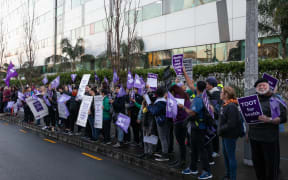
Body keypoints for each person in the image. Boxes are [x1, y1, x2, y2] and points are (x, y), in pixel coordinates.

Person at [249, 78, 287, 180]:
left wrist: (269, 120)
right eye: (259, 86)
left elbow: (282, 118)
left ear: (268, 86)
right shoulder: (253, 100)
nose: (261, 87)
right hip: (254, 138)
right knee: (258, 164)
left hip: (268, 139)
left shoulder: (273, 100)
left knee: (270, 166)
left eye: (263, 85)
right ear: (256, 89)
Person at [179, 81, 213, 180]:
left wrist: (183, 108)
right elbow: (190, 84)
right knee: (193, 149)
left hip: (199, 128)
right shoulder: (203, 95)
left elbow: (192, 113)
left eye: (194, 86)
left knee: (202, 150)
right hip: (197, 127)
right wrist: (184, 71)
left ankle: (207, 171)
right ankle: (192, 168)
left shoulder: (198, 99)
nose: (192, 86)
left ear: (197, 88)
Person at [218, 86, 242, 180]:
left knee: (231, 157)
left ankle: (232, 177)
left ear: (226, 94)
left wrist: (220, 129)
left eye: (222, 92)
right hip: (225, 134)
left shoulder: (231, 106)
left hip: (230, 135)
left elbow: (231, 124)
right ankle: (228, 175)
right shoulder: (226, 104)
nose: (220, 93)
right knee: (226, 156)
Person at [169, 84, 191, 169]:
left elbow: (176, 110)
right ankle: (181, 160)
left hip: (179, 121)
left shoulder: (177, 97)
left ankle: (182, 161)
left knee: (180, 143)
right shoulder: (184, 95)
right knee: (181, 143)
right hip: (184, 121)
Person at [147, 87, 170, 162]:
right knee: (164, 137)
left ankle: (165, 155)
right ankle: (164, 152)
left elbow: (154, 111)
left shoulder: (160, 102)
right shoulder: (162, 101)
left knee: (163, 137)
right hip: (164, 120)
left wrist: (149, 106)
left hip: (161, 121)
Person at [206, 77, 222, 159]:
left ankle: (215, 151)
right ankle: (213, 150)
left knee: (214, 135)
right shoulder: (211, 92)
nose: (206, 85)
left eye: (207, 84)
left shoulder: (216, 93)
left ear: (211, 85)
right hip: (213, 117)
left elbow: (215, 107)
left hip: (215, 118)